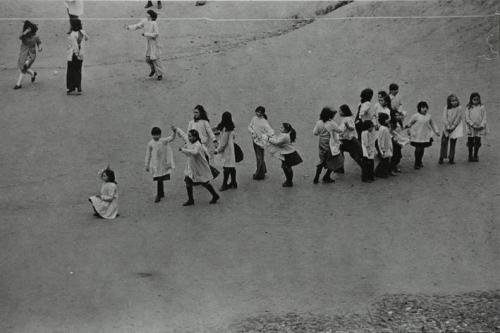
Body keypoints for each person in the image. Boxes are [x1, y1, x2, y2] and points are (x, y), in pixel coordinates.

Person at [174, 127, 220, 206]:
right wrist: (177, 129)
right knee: (188, 181)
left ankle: (215, 195)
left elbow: (195, 152)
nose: (188, 137)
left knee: (204, 182)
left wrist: (183, 150)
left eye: (190, 136)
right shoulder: (189, 141)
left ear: (195, 137)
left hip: (199, 167)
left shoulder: (198, 145)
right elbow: (183, 135)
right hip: (191, 166)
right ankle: (191, 199)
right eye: (189, 136)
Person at [126, 10, 164, 80]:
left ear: (150, 15)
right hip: (149, 43)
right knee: (148, 59)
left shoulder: (154, 23)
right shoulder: (145, 21)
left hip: (154, 43)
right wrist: (129, 27)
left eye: (147, 14)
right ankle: (153, 69)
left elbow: (156, 34)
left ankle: (160, 74)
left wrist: (146, 34)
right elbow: (138, 26)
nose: (146, 15)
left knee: (155, 59)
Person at [265, 123, 303, 187]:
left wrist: (268, 139)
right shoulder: (285, 134)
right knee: (287, 167)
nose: (280, 128)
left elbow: (277, 142)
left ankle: (289, 181)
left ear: (286, 130)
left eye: (282, 127)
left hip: (288, 154)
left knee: (286, 167)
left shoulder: (285, 136)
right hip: (288, 153)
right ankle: (289, 181)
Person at [312, 107, 344, 184]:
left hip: (322, 144)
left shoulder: (319, 122)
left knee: (322, 160)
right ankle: (327, 176)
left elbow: (315, 133)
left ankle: (316, 177)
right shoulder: (332, 123)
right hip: (330, 145)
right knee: (335, 160)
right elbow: (340, 130)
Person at [405, 101, 440, 169]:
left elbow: (433, 124)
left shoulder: (429, 116)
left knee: (422, 149)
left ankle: (420, 161)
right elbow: (410, 123)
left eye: (426, 107)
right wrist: (408, 129)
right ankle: (416, 163)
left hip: (425, 136)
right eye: (423, 107)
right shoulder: (416, 116)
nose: (425, 109)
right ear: (419, 108)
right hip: (417, 135)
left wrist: (436, 131)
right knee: (418, 149)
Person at [145, 126, 176, 202]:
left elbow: (171, 138)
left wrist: (174, 132)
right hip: (155, 164)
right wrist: (147, 164)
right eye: (154, 135)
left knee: (160, 178)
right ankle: (160, 193)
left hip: (162, 163)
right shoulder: (150, 144)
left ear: (160, 135)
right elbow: (148, 154)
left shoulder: (163, 141)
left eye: (157, 135)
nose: (156, 136)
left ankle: (159, 194)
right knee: (159, 178)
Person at [248, 106, 274, 180]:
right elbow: (249, 126)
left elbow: (271, 132)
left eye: (260, 112)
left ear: (263, 113)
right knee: (259, 157)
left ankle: (259, 174)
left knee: (259, 158)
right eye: (257, 111)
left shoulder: (264, 122)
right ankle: (262, 171)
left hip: (261, 143)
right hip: (254, 140)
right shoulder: (254, 118)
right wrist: (253, 132)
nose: (258, 113)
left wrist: (263, 136)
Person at [14, 21, 42, 90]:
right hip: (23, 54)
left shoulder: (36, 37)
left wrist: (40, 47)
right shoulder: (24, 36)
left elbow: (39, 43)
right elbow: (20, 37)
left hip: (31, 55)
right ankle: (33, 74)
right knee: (21, 67)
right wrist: (25, 32)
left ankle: (18, 84)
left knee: (24, 67)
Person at [214, 111, 237, 191]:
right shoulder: (231, 127)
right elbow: (233, 137)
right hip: (231, 149)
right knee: (232, 166)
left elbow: (223, 143)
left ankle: (224, 184)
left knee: (226, 167)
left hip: (227, 151)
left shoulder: (226, 130)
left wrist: (217, 150)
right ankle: (234, 182)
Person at [439, 94, 463, 165]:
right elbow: (444, 117)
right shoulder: (446, 108)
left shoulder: (459, 108)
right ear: (449, 102)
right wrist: (447, 126)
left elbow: (458, 118)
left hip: (455, 128)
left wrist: (453, 127)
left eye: (455, 100)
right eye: (452, 101)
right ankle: (441, 157)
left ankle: (451, 158)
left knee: (453, 143)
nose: (454, 102)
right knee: (444, 142)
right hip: (446, 127)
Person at [66, 19, 88, 95]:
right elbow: (86, 38)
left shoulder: (72, 34)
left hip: (73, 55)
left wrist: (76, 54)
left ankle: (71, 88)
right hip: (81, 54)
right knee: (78, 71)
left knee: (71, 71)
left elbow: (75, 47)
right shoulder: (82, 32)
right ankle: (79, 88)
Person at [338, 104, 363, 170]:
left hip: (348, 140)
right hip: (347, 140)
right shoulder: (347, 118)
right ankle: (340, 167)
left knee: (353, 155)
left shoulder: (347, 119)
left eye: (340, 111)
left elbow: (351, 128)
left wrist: (347, 126)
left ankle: (364, 168)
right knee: (341, 151)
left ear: (344, 112)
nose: (339, 112)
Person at [465, 93, 487, 162]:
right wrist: (472, 125)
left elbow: (484, 117)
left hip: (479, 128)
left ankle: (475, 155)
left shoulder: (482, 107)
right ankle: (470, 155)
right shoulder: (468, 107)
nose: (476, 101)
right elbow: (467, 118)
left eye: (477, 99)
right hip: (471, 128)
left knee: (477, 142)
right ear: (471, 99)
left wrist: (482, 125)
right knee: (470, 142)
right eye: (474, 99)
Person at [374, 113, 394, 178]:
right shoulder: (383, 129)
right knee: (384, 161)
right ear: (385, 120)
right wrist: (382, 150)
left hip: (385, 146)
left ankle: (380, 172)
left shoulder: (384, 128)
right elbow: (381, 140)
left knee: (384, 160)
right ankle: (380, 173)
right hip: (383, 147)